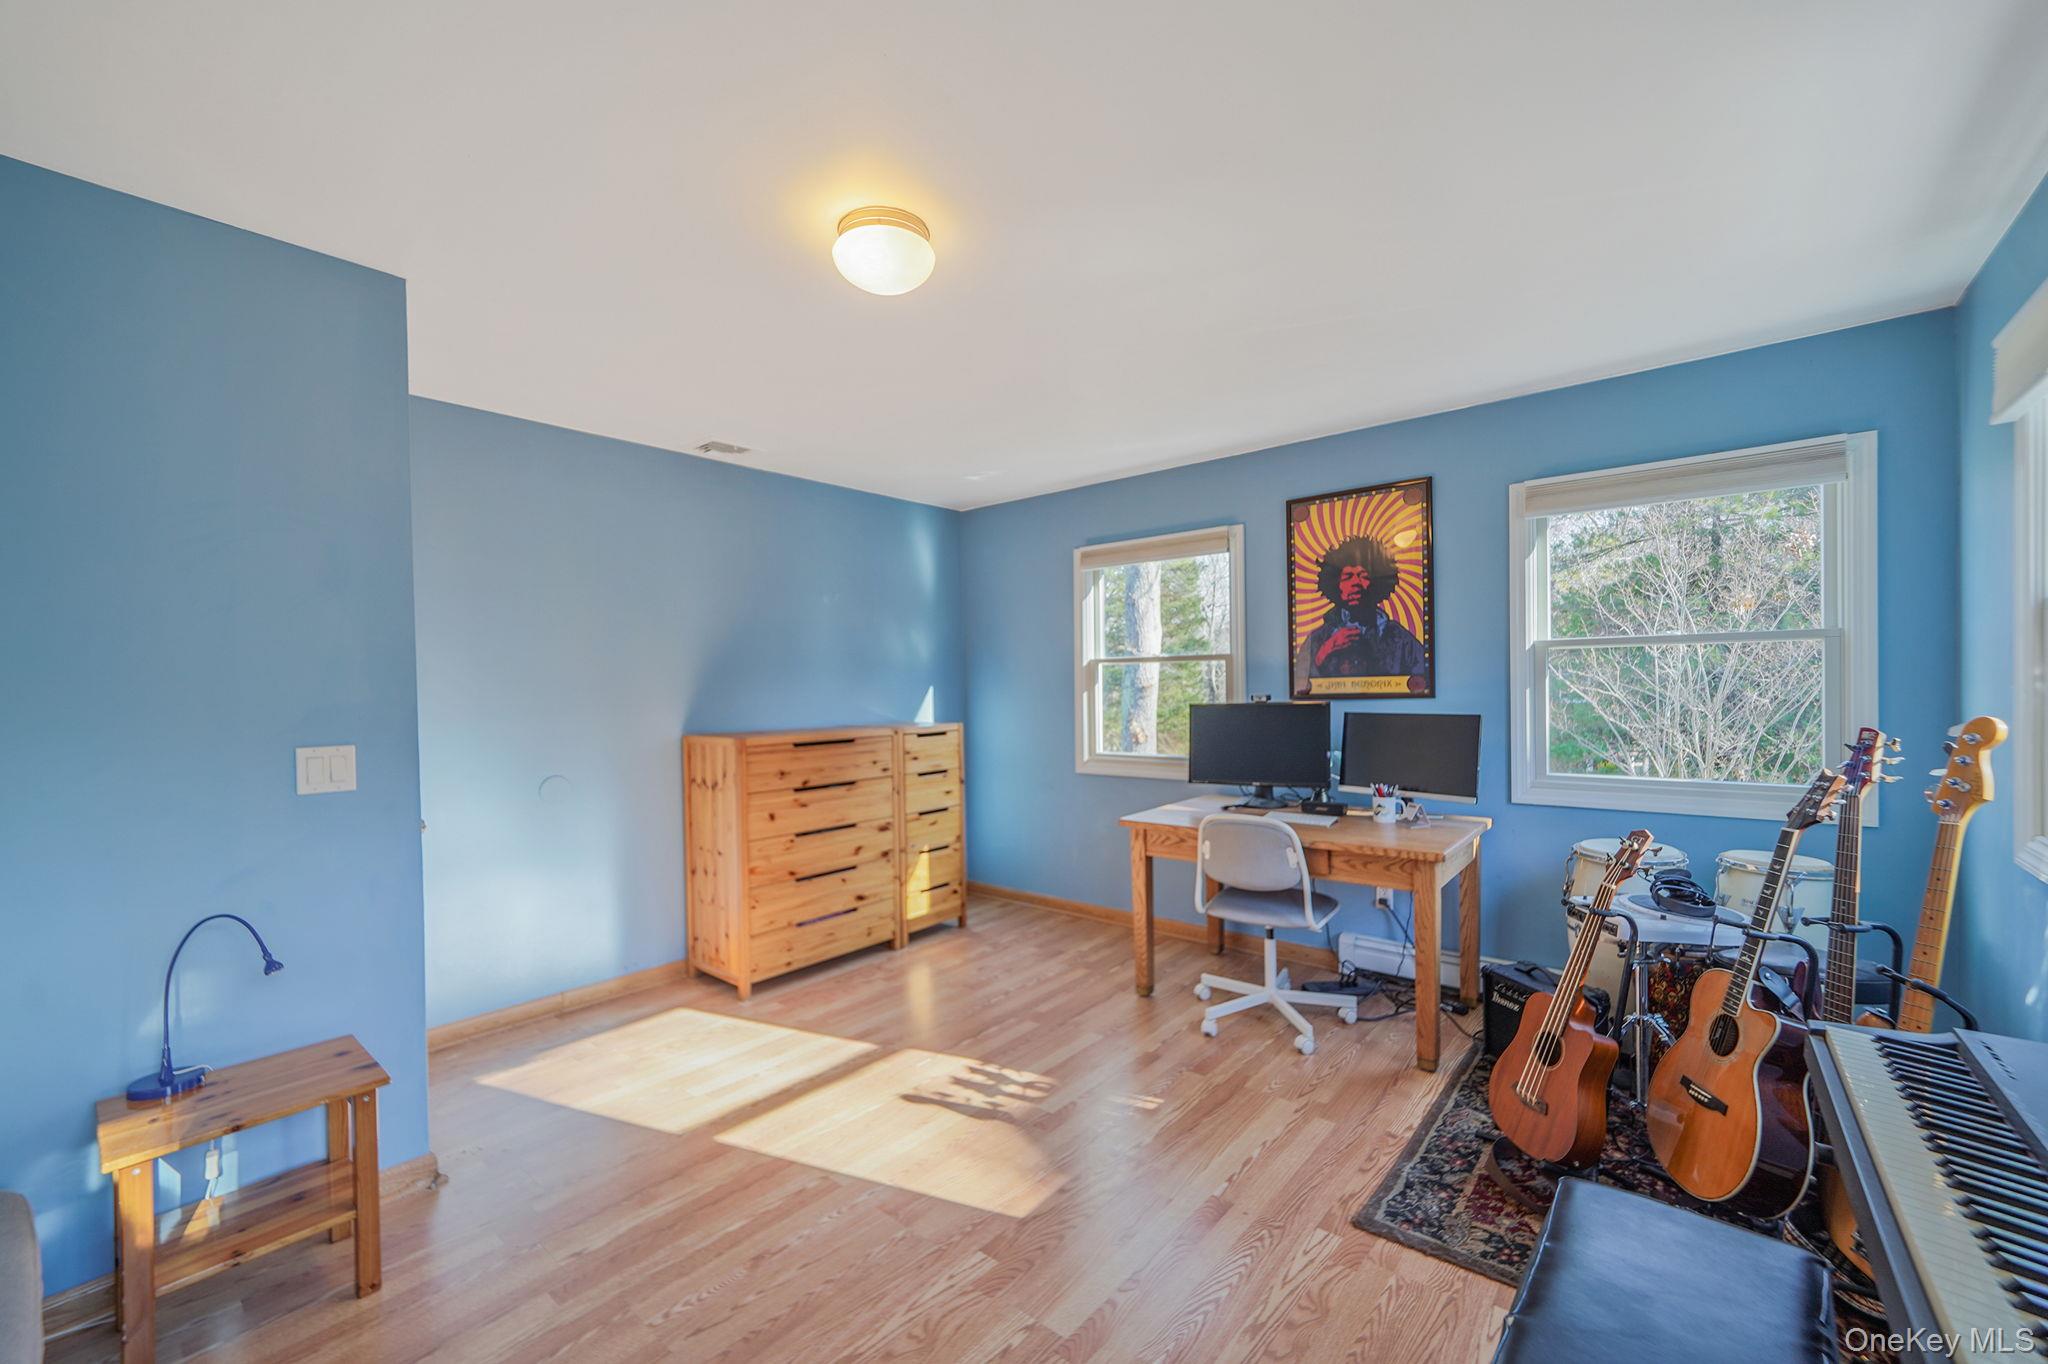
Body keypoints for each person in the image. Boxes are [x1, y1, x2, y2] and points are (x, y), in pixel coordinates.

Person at [1295, 535, 1426, 680]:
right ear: (1335, 585)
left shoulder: (1399, 638)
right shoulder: (1319, 638)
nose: (1356, 583)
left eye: (1363, 576)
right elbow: (1299, 680)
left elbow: (1424, 678)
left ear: (1377, 584)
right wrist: (1324, 651)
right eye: (1347, 577)